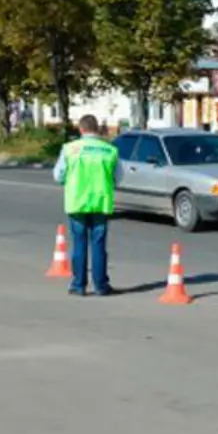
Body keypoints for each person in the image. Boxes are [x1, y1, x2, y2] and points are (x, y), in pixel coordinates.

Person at [53, 114, 123, 297]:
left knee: (79, 244)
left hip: (77, 202)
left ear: (81, 129)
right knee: (99, 245)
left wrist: (69, 181)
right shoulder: (110, 150)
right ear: (97, 129)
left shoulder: (70, 149)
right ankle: (101, 285)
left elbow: (58, 175)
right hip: (101, 202)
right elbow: (119, 177)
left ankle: (79, 285)